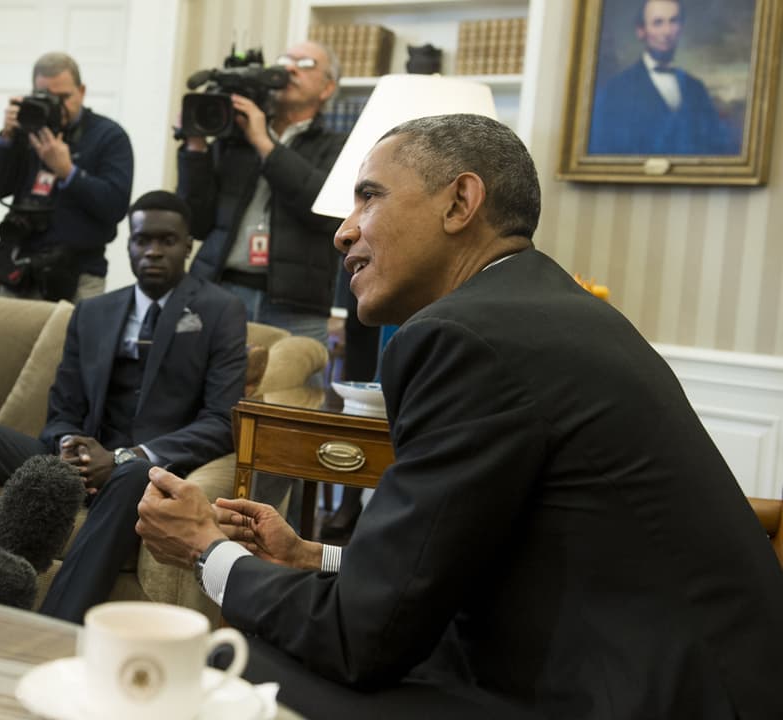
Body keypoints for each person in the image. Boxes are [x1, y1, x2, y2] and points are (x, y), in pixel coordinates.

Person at [136, 114, 783, 718]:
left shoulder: (463, 337)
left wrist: (207, 550)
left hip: (636, 697)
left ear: (459, 202)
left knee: (233, 666)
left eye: (369, 197)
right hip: (683, 675)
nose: (343, 231)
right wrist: (311, 556)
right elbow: (446, 560)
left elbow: (359, 639)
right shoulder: (541, 308)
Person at [0, 191, 245, 623]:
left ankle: (53, 627)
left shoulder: (220, 311)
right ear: (129, 244)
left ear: (188, 245)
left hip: (143, 468)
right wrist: (70, 446)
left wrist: (125, 457)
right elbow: (63, 408)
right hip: (82, 461)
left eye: (167, 241)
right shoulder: (94, 312)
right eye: (143, 240)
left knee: (134, 474)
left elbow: (221, 421)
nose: (154, 251)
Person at [177, 40, 345, 345]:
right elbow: (196, 222)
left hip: (296, 305)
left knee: (293, 378)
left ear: (327, 88)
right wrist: (196, 147)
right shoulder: (235, 137)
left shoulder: (338, 145)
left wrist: (264, 143)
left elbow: (323, 210)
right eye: (284, 60)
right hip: (219, 290)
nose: (290, 68)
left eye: (305, 64)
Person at [0, 51, 133, 302]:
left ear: (81, 91)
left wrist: (68, 172)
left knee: (74, 330)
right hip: (20, 269)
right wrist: (6, 137)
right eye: (47, 97)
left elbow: (115, 206)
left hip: (79, 274)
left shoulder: (108, 136)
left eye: (64, 97)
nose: (57, 106)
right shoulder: (25, 130)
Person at [589, 0, 738, 155]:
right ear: (641, 31)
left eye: (673, 21)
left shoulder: (696, 88)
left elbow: (716, 147)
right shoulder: (617, 89)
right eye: (658, 23)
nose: (667, 32)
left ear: (681, 27)